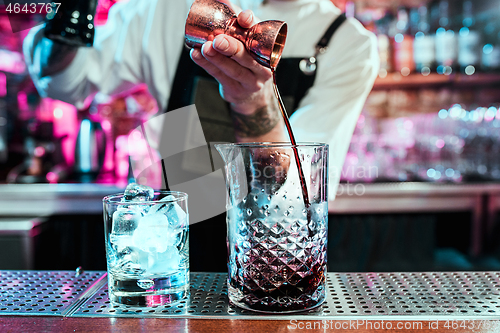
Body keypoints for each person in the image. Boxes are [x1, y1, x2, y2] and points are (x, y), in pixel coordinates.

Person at [23, 0, 379, 271]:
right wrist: (71, 13)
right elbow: (66, 82)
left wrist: (253, 101)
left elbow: (294, 203)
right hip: (172, 261)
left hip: (269, 264)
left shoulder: (346, 43)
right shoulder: (169, 7)